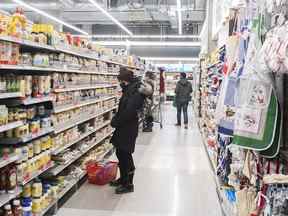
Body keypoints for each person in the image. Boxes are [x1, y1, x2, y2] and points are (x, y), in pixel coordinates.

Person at [110, 68, 144, 194]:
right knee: (120, 152)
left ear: (125, 80)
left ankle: (128, 184)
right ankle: (123, 179)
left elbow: (129, 112)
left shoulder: (135, 92)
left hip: (128, 127)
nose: (120, 83)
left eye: (121, 81)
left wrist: (116, 121)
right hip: (124, 126)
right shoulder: (130, 89)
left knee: (125, 154)